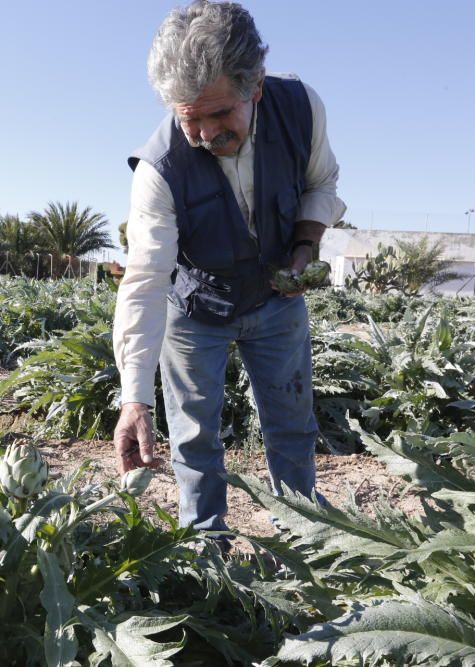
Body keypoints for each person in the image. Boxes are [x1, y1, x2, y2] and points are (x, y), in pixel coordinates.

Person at [112, 0, 346, 536]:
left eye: (220, 115)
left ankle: (301, 539)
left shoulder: (301, 109)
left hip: (276, 302)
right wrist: (134, 398)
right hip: (195, 310)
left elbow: (322, 183)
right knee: (194, 438)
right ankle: (206, 553)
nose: (203, 135)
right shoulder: (159, 169)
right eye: (189, 118)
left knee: (291, 427)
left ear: (256, 86)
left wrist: (305, 247)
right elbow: (147, 279)